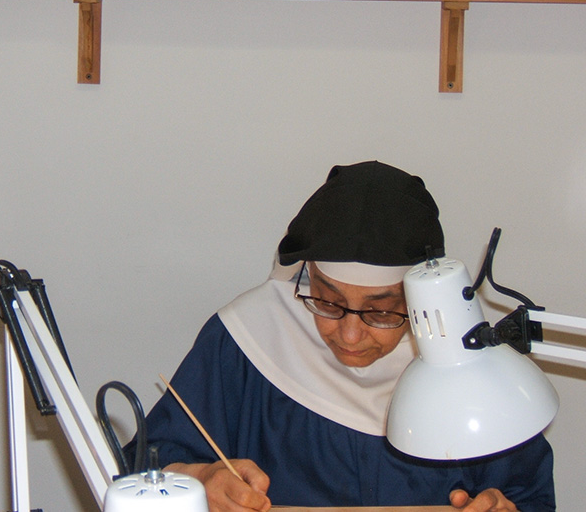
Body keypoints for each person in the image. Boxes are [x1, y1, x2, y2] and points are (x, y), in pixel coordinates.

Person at [132, 161, 555, 512]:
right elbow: (142, 467)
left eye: (381, 311)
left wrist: (505, 507)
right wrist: (199, 479)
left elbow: (527, 494)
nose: (350, 335)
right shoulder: (246, 342)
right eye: (328, 301)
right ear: (306, 277)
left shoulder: (470, 367)